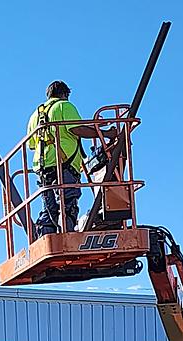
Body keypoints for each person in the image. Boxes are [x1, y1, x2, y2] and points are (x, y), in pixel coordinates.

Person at [27, 80, 116, 235]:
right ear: (65, 94)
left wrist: (97, 126)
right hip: (64, 164)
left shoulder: (35, 115)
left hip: (42, 167)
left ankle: (48, 237)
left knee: (49, 208)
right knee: (67, 204)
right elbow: (77, 129)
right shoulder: (64, 106)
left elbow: (31, 145)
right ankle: (67, 238)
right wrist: (106, 133)